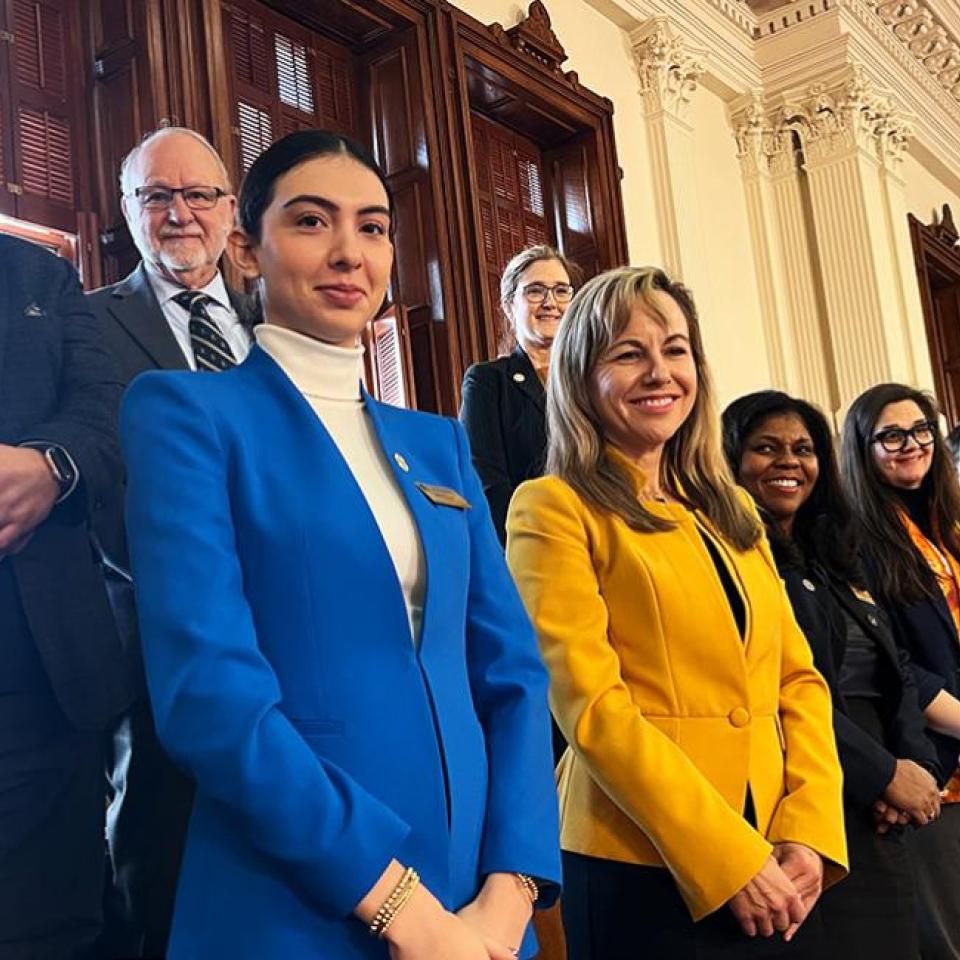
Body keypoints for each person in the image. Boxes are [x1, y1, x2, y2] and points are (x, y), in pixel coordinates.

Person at [119, 129, 561, 959]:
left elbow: (512, 676)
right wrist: (402, 907)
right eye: (313, 222)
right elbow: (210, 696)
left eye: (373, 226)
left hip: (482, 914)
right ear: (246, 249)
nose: (348, 252)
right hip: (301, 898)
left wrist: (511, 889)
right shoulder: (188, 415)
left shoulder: (437, 445)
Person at [506, 266, 847, 959]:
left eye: (675, 349)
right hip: (641, 856)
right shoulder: (553, 506)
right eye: (628, 353)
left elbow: (797, 680)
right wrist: (725, 855)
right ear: (580, 375)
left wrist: (809, 826)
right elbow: (592, 709)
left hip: (777, 854)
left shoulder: (731, 511)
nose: (659, 372)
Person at [87, 126, 258, 959]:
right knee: (157, 854)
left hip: (280, 624)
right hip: (149, 638)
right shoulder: (85, 326)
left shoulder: (286, 325)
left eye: (198, 196)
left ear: (231, 212)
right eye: (157, 196)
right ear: (128, 212)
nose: (179, 214)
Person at [723, 389, 941, 960]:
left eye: (803, 448)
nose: (789, 461)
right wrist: (883, 773)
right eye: (765, 448)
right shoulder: (734, 559)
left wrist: (916, 764)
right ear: (730, 461)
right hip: (810, 795)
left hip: (882, 809)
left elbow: (896, 664)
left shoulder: (837, 552)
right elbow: (780, 685)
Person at [0, 234, 132, 958]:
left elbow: (102, 420)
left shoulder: (42, 275)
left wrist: (51, 466)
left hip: (40, 693)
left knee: (56, 931)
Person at [842, 383, 960, 959]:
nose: (911, 444)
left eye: (920, 431)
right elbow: (892, 660)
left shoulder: (948, 527)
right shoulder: (858, 538)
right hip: (937, 763)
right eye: (891, 435)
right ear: (862, 448)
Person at [459, 245, 578, 545]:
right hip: (529, 546)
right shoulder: (487, 382)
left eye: (561, 291)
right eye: (535, 291)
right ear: (510, 306)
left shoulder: (591, 380)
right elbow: (487, 486)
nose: (550, 302)